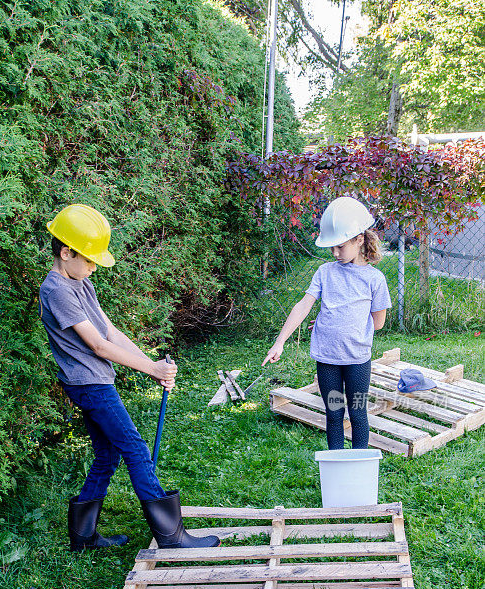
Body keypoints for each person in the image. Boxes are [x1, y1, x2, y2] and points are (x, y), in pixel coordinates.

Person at [39, 204, 219, 551]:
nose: (93, 267)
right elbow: (99, 347)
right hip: (89, 385)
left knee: (107, 456)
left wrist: (151, 364)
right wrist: (151, 369)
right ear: (66, 252)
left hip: (93, 381)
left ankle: (83, 537)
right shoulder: (57, 290)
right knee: (136, 449)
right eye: (89, 259)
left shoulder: (80, 282)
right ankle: (171, 536)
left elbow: (110, 331)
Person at [263, 196, 392, 450]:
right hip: (327, 359)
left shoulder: (375, 280)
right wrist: (280, 342)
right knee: (333, 414)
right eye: (331, 247)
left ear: (359, 239)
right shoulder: (325, 272)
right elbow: (304, 305)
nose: (334, 253)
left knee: (357, 414)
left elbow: (377, 324)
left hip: (357, 360)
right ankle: (337, 465)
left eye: (340, 246)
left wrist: (341, 324)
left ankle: (358, 466)